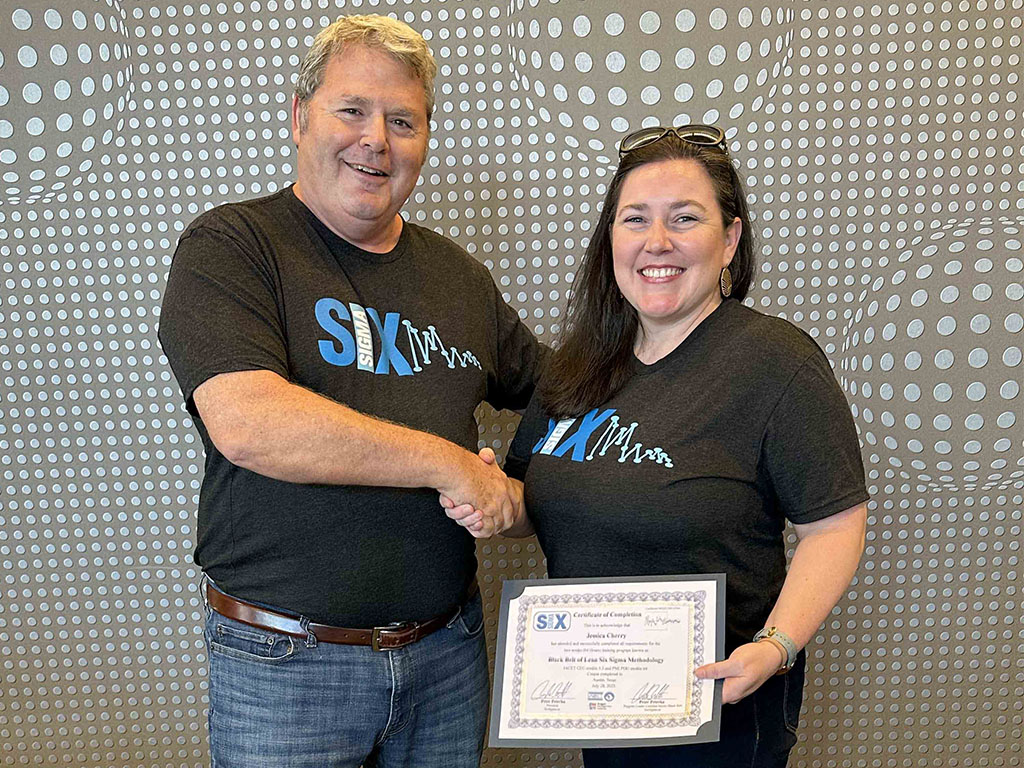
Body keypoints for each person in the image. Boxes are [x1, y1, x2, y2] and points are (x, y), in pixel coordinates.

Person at [158, 14, 543, 768]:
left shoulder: (460, 279)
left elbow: (563, 394)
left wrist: (523, 498)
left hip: (447, 656)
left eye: (403, 121)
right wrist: (449, 464)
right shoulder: (231, 247)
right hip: (284, 669)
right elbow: (251, 423)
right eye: (353, 110)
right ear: (301, 117)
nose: (376, 140)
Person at [445, 125, 869, 767]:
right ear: (611, 240)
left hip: (721, 704)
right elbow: (535, 503)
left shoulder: (776, 363)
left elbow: (834, 526)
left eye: (685, 218)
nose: (657, 241)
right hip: (599, 699)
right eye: (635, 219)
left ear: (730, 240)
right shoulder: (577, 366)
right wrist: (492, 500)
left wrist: (776, 646)